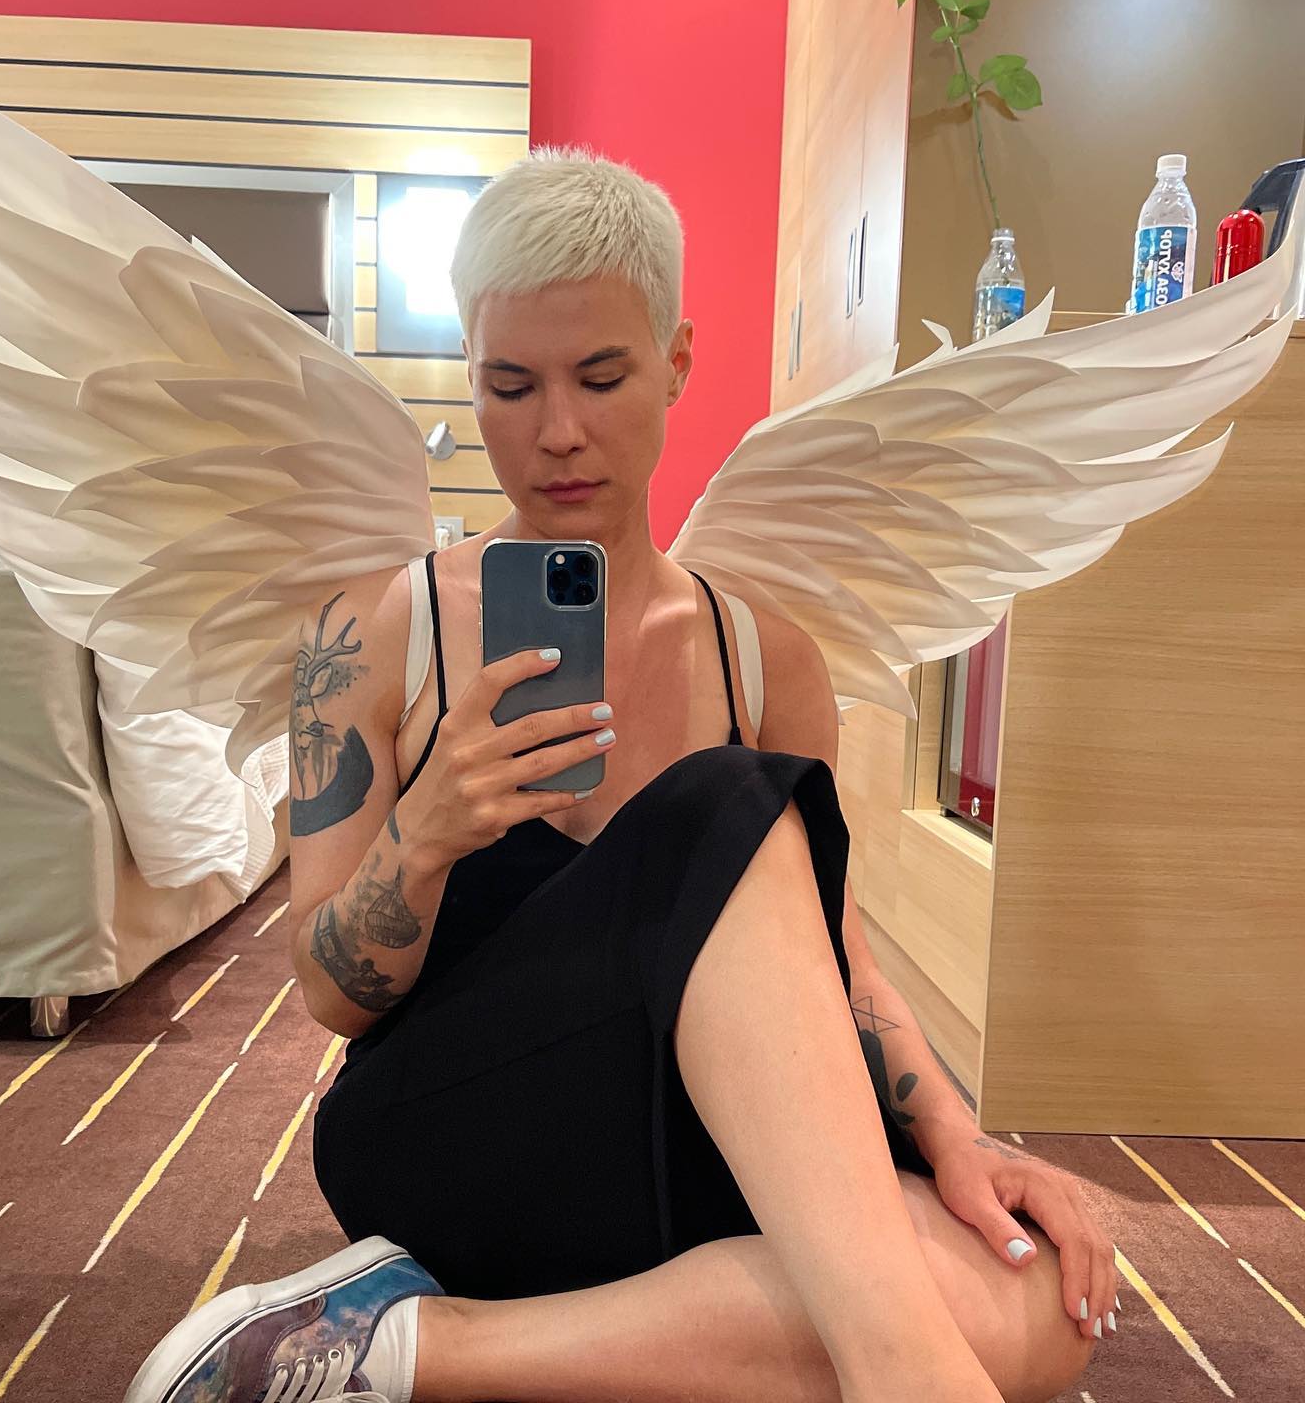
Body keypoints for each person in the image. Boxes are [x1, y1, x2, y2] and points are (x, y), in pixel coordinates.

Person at [126, 148, 1115, 1403]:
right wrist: (425, 836)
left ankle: (419, 1349)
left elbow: (838, 961)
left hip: (695, 1125)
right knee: (725, 804)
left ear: (677, 362)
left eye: (602, 378)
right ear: (471, 375)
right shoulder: (372, 638)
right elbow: (330, 995)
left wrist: (956, 1136)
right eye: (510, 385)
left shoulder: (766, 659)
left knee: (1045, 1298)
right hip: (459, 1129)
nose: (557, 432)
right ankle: (897, 1373)